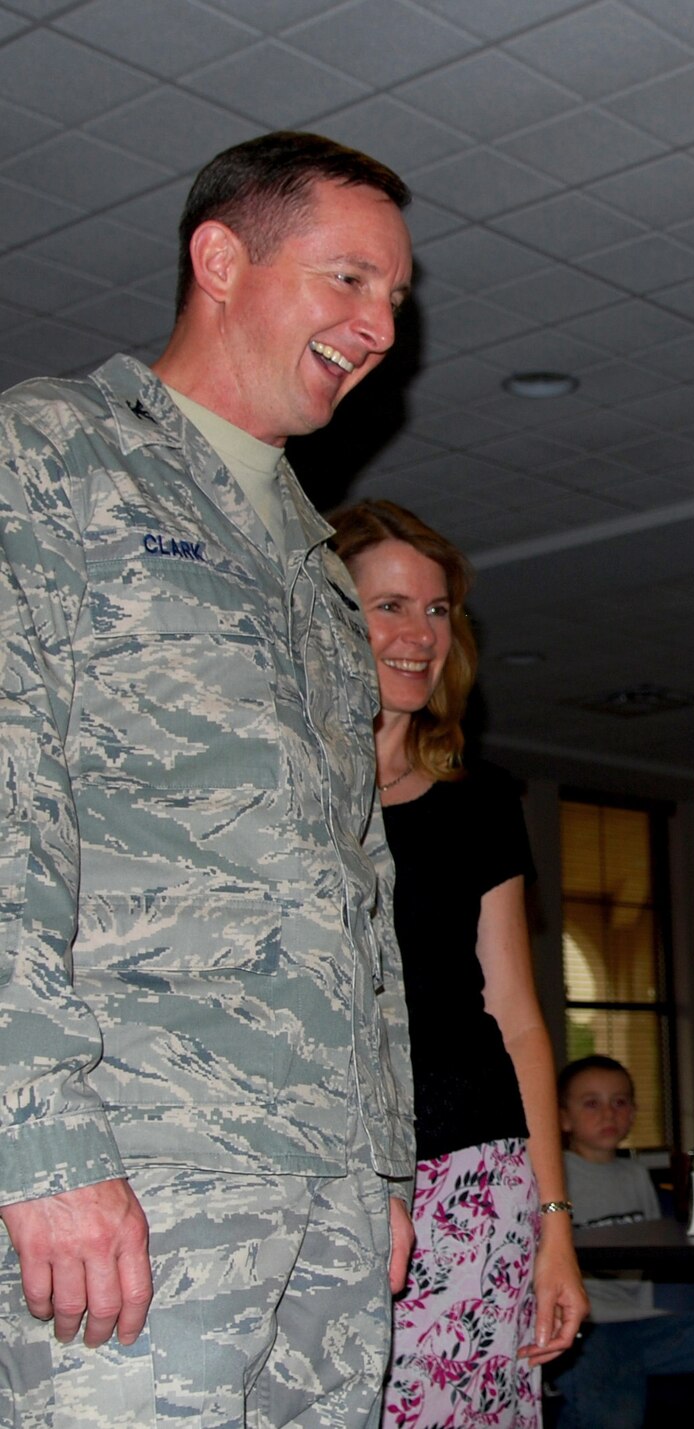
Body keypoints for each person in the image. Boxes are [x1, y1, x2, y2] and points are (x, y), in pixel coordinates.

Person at [0, 132, 416, 1425]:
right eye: (350, 280)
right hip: (140, 1163)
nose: (380, 325)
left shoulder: (320, 568)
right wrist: (40, 1135)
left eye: (397, 300)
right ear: (220, 258)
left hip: (329, 1197)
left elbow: (360, 883)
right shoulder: (54, 453)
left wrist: (385, 1169)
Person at [327, 500, 586, 1425]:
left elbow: (517, 1017)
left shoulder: (481, 805)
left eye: (437, 611)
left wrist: (556, 1227)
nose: (418, 634)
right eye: (388, 605)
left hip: (474, 1179)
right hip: (324, 1180)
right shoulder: (278, 795)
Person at [552, 1056, 694, 1429]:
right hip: (586, 1323)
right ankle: (589, 1368)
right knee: (614, 1408)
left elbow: (651, 1254)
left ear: (634, 1113)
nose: (609, 1113)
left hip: (638, 1322)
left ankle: (603, 1369)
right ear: (563, 1118)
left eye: (620, 1102)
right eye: (592, 1103)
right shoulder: (556, 1175)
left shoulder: (637, 1175)